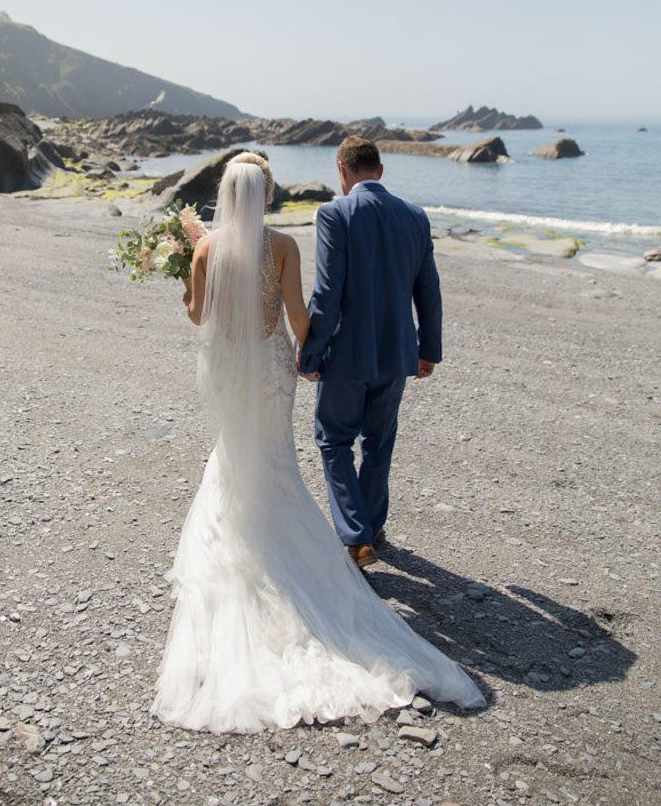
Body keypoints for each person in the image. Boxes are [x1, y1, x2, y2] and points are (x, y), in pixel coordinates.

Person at [151, 152, 483, 734]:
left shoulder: (206, 248)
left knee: (235, 450)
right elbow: (299, 315)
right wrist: (313, 356)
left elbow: (198, 315)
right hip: (274, 362)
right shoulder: (281, 246)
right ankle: (343, 542)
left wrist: (186, 261)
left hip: (228, 363)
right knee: (278, 455)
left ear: (225, 193)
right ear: (268, 193)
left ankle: (257, 538)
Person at [298, 136, 441, 570]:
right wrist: (428, 349)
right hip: (398, 352)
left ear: (342, 170)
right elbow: (428, 290)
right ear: (380, 171)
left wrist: (310, 353)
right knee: (379, 443)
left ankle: (358, 537)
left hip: (346, 354)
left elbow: (327, 293)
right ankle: (371, 530)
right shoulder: (415, 217)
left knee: (333, 440)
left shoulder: (334, 213)